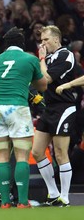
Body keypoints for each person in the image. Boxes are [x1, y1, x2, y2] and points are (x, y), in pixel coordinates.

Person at [0, 27, 47, 209]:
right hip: (17, 108)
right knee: (22, 156)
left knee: (1, 157)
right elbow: (43, 86)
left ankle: (6, 202)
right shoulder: (29, 59)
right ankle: (22, 202)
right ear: (22, 44)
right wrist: (41, 60)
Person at [32, 25, 76, 207]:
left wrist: (40, 59)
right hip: (49, 108)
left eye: (46, 40)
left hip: (64, 107)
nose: (42, 44)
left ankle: (64, 197)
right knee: (37, 152)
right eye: (41, 40)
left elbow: (46, 79)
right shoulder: (48, 58)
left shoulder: (65, 55)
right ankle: (53, 193)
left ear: (56, 39)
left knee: (60, 152)